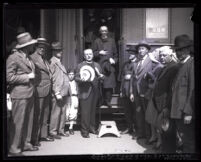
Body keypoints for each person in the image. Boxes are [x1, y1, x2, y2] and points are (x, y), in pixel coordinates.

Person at [7, 32, 38, 156]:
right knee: (18, 122)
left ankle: (26, 143)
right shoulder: (13, 58)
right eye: (31, 45)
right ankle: (14, 148)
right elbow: (9, 77)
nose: (33, 47)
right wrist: (27, 76)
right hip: (19, 95)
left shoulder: (28, 57)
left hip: (30, 93)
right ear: (26, 46)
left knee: (28, 121)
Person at [145, 46, 179, 152]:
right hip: (159, 102)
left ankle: (167, 148)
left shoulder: (174, 68)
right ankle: (163, 146)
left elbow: (171, 90)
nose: (162, 57)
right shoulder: (165, 67)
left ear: (171, 55)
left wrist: (167, 106)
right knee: (161, 126)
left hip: (165, 103)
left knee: (166, 127)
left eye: (164, 55)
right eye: (161, 56)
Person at [129, 40, 162, 143]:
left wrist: (149, 76)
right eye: (139, 49)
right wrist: (131, 92)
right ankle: (141, 133)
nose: (140, 51)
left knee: (148, 115)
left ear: (147, 50)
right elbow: (132, 79)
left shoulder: (152, 61)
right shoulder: (136, 62)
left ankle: (150, 136)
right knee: (139, 114)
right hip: (136, 93)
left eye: (142, 48)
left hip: (147, 93)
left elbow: (158, 72)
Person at [170, 34, 195, 153]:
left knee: (189, 142)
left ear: (188, 50)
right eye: (177, 50)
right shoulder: (181, 65)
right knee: (184, 140)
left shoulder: (191, 64)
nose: (178, 53)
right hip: (177, 111)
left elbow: (192, 90)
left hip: (184, 112)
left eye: (181, 50)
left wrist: (189, 112)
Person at [30, 37, 54, 147]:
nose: (42, 48)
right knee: (37, 116)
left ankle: (43, 135)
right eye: (40, 46)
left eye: (44, 47)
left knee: (45, 114)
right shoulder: (32, 58)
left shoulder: (44, 59)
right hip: (39, 91)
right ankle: (34, 138)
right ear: (35, 47)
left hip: (47, 90)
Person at [75, 49, 104, 138]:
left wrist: (101, 77)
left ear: (92, 55)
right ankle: (85, 131)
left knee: (92, 111)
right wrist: (81, 80)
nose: (88, 56)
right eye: (86, 54)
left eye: (90, 54)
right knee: (85, 112)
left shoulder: (97, 65)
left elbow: (100, 77)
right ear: (84, 56)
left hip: (95, 91)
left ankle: (92, 128)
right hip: (85, 91)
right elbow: (76, 77)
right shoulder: (80, 65)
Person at [49, 41, 71, 139]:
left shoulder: (59, 62)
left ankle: (61, 130)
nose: (60, 52)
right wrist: (56, 92)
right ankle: (53, 132)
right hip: (58, 92)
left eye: (61, 50)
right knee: (56, 112)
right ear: (53, 51)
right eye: (58, 50)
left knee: (62, 112)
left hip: (64, 92)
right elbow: (52, 79)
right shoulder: (52, 62)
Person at [92, 25, 118, 108]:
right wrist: (99, 52)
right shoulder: (96, 41)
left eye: (105, 31)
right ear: (100, 32)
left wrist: (114, 60)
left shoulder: (112, 41)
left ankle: (108, 101)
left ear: (107, 31)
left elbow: (116, 54)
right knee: (100, 84)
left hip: (109, 67)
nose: (104, 32)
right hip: (100, 66)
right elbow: (92, 53)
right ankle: (100, 101)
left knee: (109, 85)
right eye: (102, 31)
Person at [119, 48, 137, 136]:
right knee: (127, 111)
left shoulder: (137, 64)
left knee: (135, 111)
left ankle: (136, 130)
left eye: (131, 53)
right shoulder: (125, 64)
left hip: (133, 91)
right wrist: (121, 90)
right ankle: (129, 127)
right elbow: (122, 78)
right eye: (129, 53)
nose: (130, 55)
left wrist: (130, 76)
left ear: (135, 54)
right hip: (125, 90)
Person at [66, 69, 79, 135]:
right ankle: (62, 128)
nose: (71, 76)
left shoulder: (76, 82)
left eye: (72, 74)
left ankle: (71, 127)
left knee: (74, 112)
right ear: (67, 75)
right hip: (68, 98)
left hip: (75, 98)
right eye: (70, 74)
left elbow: (78, 90)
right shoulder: (66, 82)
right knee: (67, 112)